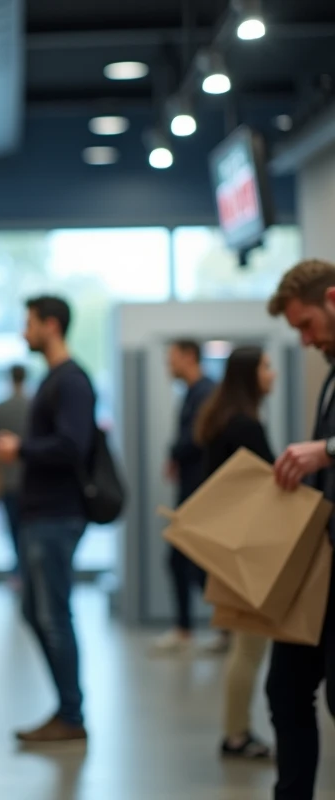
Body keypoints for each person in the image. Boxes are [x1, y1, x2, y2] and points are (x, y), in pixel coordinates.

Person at [0, 295, 96, 744]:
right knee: (37, 611)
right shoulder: (54, 379)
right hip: (42, 515)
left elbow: (74, 445)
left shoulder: (71, 381)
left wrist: (21, 450)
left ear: (50, 326)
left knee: (53, 615)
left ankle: (71, 715)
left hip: (56, 515)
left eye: (29, 322)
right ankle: (67, 708)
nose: (24, 332)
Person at [263, 259, 335, 800]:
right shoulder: (332, 372)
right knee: (286, 688)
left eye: (307, 324)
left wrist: (327, 451)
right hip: (322, 562)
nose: (306, 340)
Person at [194, 346, 277, 760]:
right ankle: (236, 735)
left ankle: (236, 731)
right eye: (265, 366)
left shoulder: (223, 419)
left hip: (232, 545)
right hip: (250, 549)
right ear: (249, 375)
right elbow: (272, 484)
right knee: (249, 646)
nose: (272, 374)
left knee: (244, 644)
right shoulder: (244, 425)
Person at [154, 339, 219, 653]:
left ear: (190, 357)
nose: (169, 366)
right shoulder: (194, 394)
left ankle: (223, 628)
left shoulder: (207, 393)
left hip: (201, 495)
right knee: (182, 561)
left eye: (173, 359)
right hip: (191, 493)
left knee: (196, 564)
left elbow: (195, 439)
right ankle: (191, 629)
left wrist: (176, 454)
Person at [0, 364, 30, 587]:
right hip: (27, 479)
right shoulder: (32, 405)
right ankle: (22, 569)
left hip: (6, 480)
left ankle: (19, 569)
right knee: (26, 528)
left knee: (14, 528)